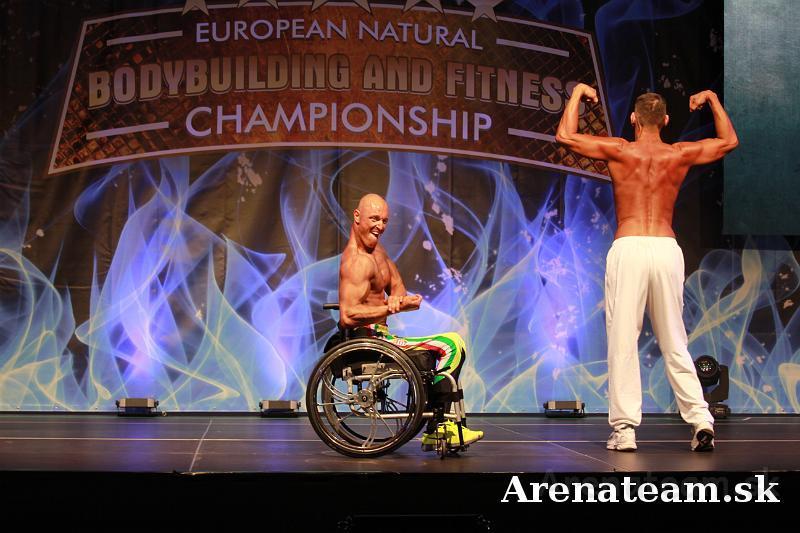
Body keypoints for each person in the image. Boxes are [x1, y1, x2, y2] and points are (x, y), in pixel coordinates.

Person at [556, 84, 738, 451]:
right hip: (666, 249)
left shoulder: (620, 150)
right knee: (675, 340)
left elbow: (565, 136)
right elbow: (728, 141)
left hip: (630, 248)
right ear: (666, 120)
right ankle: (701, 419)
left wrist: (577, 93)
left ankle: (624, 430)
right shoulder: (678, 153)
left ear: (633, 119)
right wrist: (712, 99)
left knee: (623, 341)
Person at [338, 193, 483, 449]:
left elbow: (396, 284)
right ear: (357, 216)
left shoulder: (377, 251)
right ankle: (439, 427)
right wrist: (391, 307)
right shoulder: (356, 262)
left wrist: (397, 298)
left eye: (384, 221)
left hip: (383, 337)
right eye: (374, 219)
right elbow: (347, 315)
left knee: (448, 345)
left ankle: (440, 425)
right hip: (370, 341)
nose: (380, 226)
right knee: (451, 344)